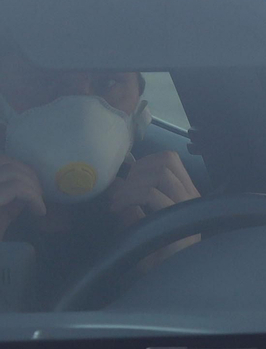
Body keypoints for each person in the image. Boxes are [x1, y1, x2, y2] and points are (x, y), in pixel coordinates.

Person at [0, 43, 200, 307]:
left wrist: (186, 266)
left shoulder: (167, 210)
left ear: (139, 104)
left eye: (108, 82)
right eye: (43, 80)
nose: (80, 113)